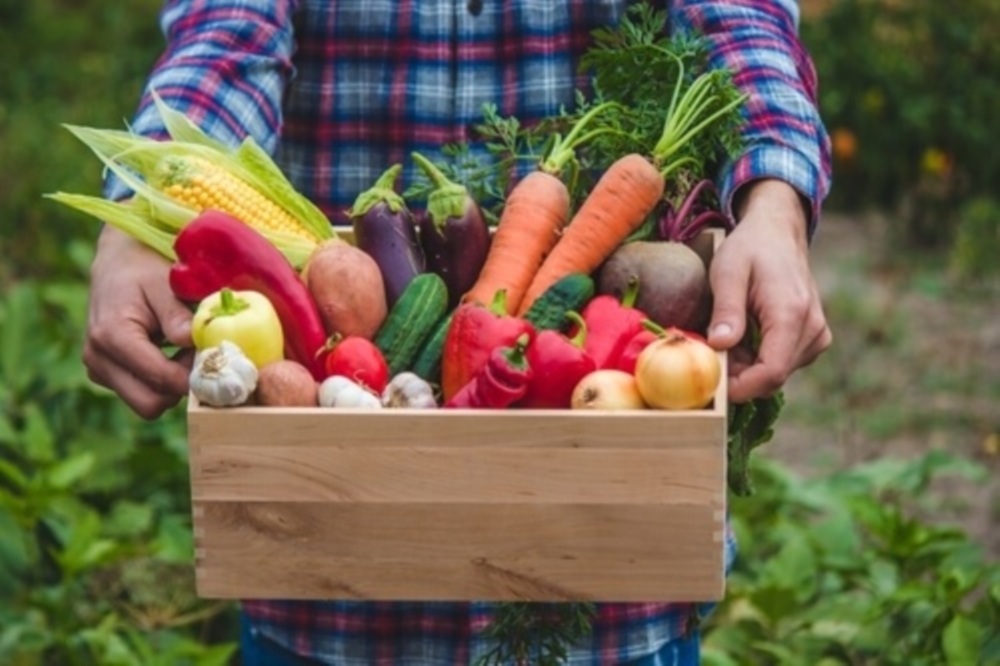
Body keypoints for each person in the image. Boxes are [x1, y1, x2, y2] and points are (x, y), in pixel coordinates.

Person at [84, 1, 833, 663]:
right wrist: (142, 218)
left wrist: (775, 204)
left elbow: (739, 20)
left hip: (603, 577)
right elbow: (228, 33)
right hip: (324, 562)